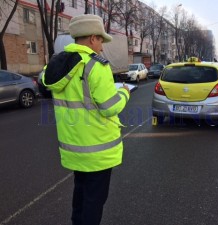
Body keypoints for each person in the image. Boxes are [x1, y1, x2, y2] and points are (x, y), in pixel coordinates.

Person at [42, 14, 130, 225]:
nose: (101, 47)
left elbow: (46, 88)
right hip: (97, 150)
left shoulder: (55, 65)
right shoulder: (97, 66)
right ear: (92, 38)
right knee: (94, 201)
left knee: (80, 195)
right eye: (101, 41)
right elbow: (110, 108)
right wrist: (125, 92)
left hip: (74, 149)